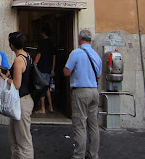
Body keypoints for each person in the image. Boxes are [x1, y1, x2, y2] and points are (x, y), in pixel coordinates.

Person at [63, 29, 102, 159]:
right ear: (90, 40)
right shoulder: (96, 55)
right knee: (93, 124)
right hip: (94, 91)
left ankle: (79, 155)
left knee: (79, 124)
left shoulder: (76, 53)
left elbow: (67, 72)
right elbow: (100, 75)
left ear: (80, 39)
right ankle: (93, 154)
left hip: (81, 91)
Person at [0, 32, 34, 159]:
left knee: (23, 140)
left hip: (21, 102)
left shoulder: (19, 59)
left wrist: (4, 78)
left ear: (12, 45)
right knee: (14, 137)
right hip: (23, 100)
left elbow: (17, 84)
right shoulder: (27, 56)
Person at [34, 25, 56, 114]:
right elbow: (54, 57)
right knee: (47, 88)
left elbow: (39, 54)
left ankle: (42, 108)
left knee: (42, 87)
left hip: (41, 68)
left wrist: (34, 65)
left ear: (43, 33)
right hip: (48, 69)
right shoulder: (52, 43)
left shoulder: (42, 42)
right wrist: (52, 69)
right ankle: (50, 107)